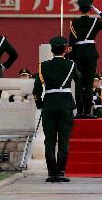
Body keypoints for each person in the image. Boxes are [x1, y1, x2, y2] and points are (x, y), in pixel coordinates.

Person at [33, 36, 80, 183]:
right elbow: (80, 80)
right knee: (64, 141)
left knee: (50, 140)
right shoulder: (71, 65)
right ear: (66, 49)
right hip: (66, 104)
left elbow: (37, 89)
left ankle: (51, 173)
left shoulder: (43, 66)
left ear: (52, 50)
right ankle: (60, 172)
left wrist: (40, 104)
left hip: (49, 104)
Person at [68, 0, 102, 118]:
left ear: (79, 8)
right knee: (88, 84)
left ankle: (79, 112)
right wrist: (97, 11)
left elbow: (71, 42)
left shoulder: (74, 23)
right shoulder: (95, 22)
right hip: (91, 55)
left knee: (79, 84)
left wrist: (70, 58)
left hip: (78, 55)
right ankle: (88, 112)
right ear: (90, 8)